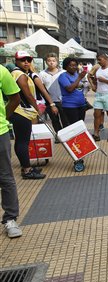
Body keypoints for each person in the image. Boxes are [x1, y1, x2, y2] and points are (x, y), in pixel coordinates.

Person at [9, 51, 46, 180]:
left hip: (19, 111)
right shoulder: (20, 75)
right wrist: (37, 109)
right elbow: (28, 95)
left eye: (28, 60)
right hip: (21, 112)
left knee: (20, 140)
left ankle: (26, 166)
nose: (26, 62)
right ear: (16, 61)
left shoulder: (18, 73)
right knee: (23, 142)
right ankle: (27, 170)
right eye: (22, 60)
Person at [0, 64, 22, 238]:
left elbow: (15, 99)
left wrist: (3, 118)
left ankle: (10, 218)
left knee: (5, 176)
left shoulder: (1, 71)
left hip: (0, 132)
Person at [90, 53, 108, 142]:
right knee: (96, 114)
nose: (98, 61)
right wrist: (94, 83)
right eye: (98, 60)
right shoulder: (98, 69)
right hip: (99, 94)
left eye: (100, 59)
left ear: (106, 59)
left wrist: (105, 80)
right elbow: (96, 80)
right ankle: (96, 134)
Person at [39, 53, 67, 134]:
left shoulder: (63, 73)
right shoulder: (42, 74)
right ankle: (59, 135)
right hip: (50, 101)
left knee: (65, 119)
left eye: (54, 61)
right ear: (46, 62)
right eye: (49, 61)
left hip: (62, 101)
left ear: (57, 62)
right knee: (54, 120)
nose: (51, 63)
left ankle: (66, 136)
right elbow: (42, 88)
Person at [58, 57, 88, 125]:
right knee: (74, 127)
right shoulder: (63, 76)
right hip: (70, 106)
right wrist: (79, 78)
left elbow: (80, 86)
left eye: (75, 65)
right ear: (66, 66)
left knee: (80, 126)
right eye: (71, 65)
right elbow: (69, 89)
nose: (73, 67)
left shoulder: (76, 75)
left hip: (81, 105)